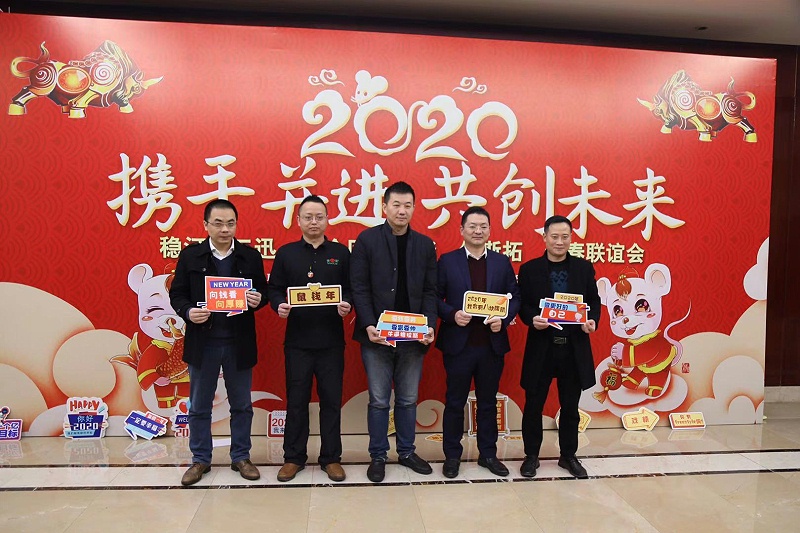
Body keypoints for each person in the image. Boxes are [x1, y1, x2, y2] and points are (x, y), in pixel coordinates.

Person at [169, 199, 269, 486]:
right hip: (204, 343)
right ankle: (200, 459)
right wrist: (188, 311)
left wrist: (258, 299)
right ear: (206, 225)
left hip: (239, 342)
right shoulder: (191, 256)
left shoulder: (250, 256)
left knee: (242, 405)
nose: (225, 229)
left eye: (230, 223)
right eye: (218, 223)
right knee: (199, 405)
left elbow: (263, 292)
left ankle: (241, 456)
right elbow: (177, 294)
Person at [350, 181, 438, 483]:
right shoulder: (366, 240)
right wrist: (368, 324)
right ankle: (378, 455)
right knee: (378, 399)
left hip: (413, 338)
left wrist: (429, 325)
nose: (402, 211)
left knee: (408, 399)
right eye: (396, 205)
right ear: (384, 207)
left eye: (408, 205)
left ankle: (406, 452)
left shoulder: (425, 245)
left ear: (414, 208)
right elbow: (359, 287)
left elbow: (430, 290)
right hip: (377, 337)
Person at [267, 195, 352, 482]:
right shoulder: (287, 253)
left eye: (319, 217)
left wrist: (348, 304)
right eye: (308, 217)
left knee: (331, 401)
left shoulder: (340, 253)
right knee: (296, 401)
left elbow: (352, 288)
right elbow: (274, 288)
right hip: (297, 342)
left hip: (331, 342)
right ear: (299, 220)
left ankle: (331, 458)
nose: (313, 222)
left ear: (327, 220)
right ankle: (293, 458)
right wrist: (278, 304)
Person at [435, 206, 520, 478]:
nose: (478, 231)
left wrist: (503, 319)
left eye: (483, 226)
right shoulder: (447, 261)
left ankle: (488, 454)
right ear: (462, 230)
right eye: (472, 226)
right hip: (458, 345)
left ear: (490, 230)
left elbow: (515, 297)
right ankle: (452, 456)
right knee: (454, 402)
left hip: (491, 345)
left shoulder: (501, 262)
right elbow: (434, 297)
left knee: (487, 402)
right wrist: (452, 314)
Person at [517, 215, 601, 479]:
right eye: (554, 236)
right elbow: (523, 304)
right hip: (542, 347)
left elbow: (594, 302)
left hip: (573, 348)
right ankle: (531, 456)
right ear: (544, 237)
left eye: (565, 237)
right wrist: (532, 318)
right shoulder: (529, 269)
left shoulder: (583, 268)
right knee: (533, 404)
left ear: (571, 238)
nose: (559, 241)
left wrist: (592, 320)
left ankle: (568, 456)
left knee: (570, 406)